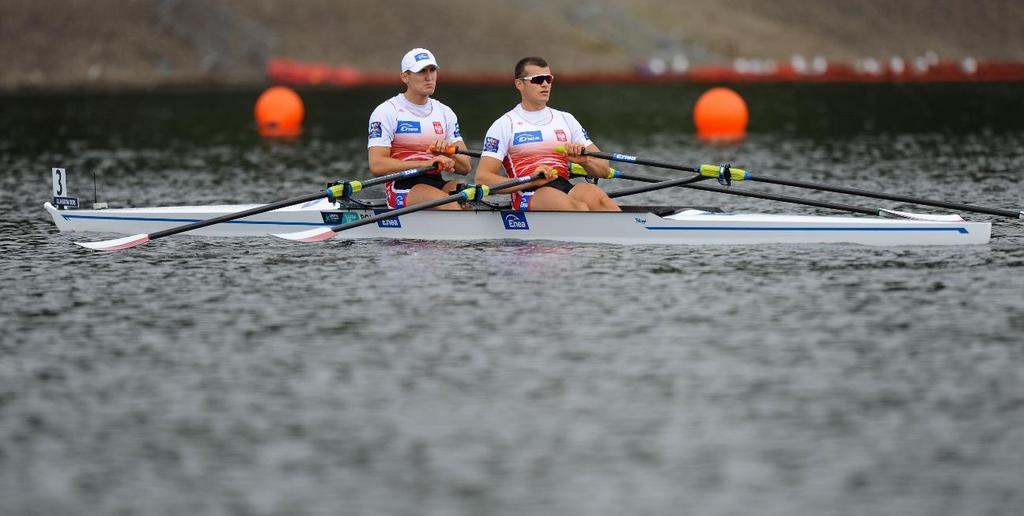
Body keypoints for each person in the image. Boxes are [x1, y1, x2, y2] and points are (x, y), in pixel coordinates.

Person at [471, 56, 620, 211]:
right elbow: (482, 177)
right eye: (538, 79)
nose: (545, 84)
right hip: (528, 192)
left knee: (601, 201)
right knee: (579, 208)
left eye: (548, 79)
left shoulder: (566, 119)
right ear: (519, 84)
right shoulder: (504, 124)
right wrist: (530, 181)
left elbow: (604, 169)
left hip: (563, 184)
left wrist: (584, 161)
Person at [367, 48, 471, 209]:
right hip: (401, 186)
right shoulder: (387, 111)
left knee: (472, 200)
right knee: (453, 205)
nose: (429, 77)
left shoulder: (445, 112)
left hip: (437, 182)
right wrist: (426, 164)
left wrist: (447, 151)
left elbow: (465, 167)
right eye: (421, 71)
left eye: (432, 70)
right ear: (405, 77)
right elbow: (377, 165)